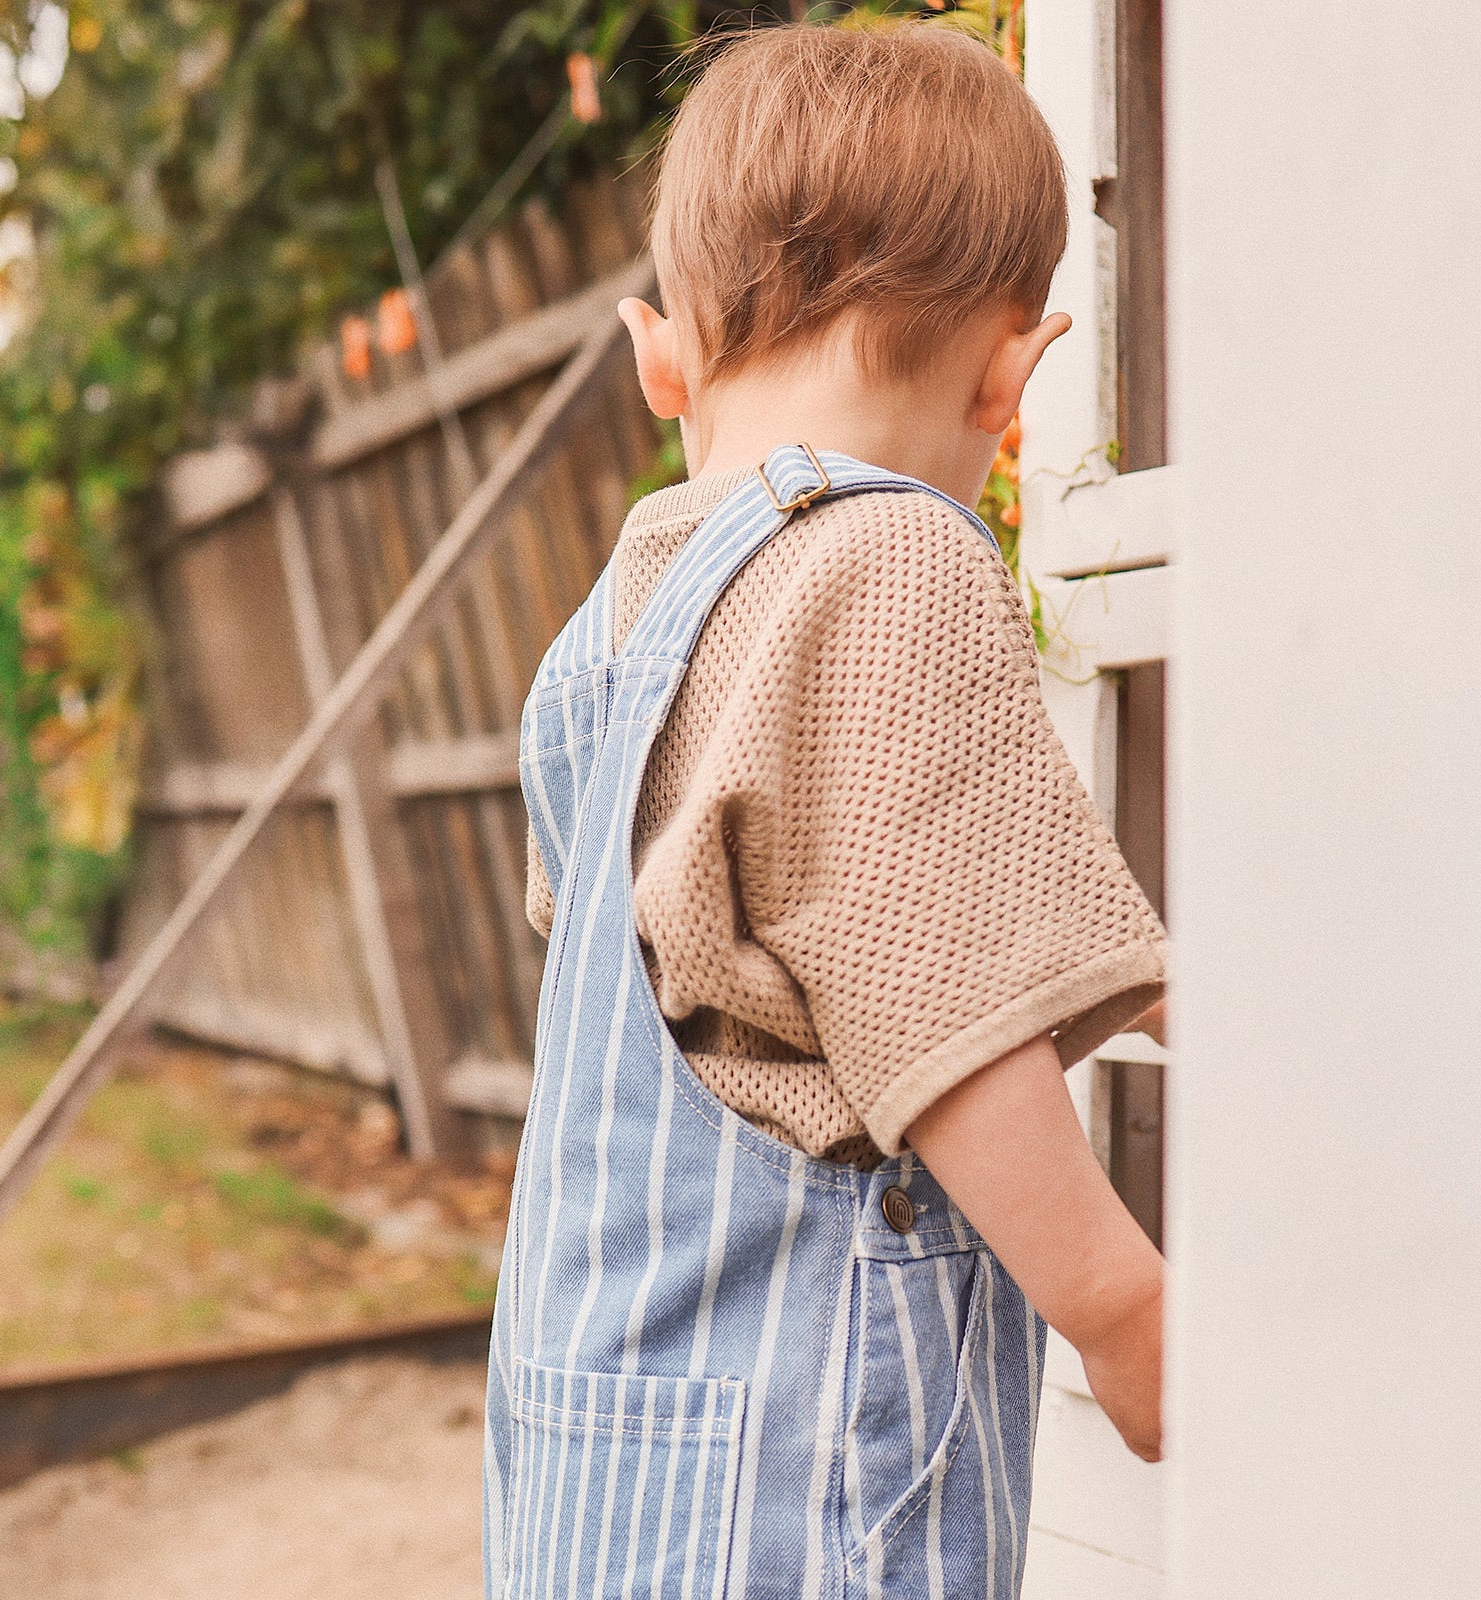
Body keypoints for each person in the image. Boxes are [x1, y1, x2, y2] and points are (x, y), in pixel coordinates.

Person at [485, 20, 1168, 1598]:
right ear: (1014, 372)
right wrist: (1125, 1314)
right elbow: (946, 1030)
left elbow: (742, 989)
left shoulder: (602, 645)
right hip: (801, 1500)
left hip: (594, 1487)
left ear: (662, 359)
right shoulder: (893, 562)